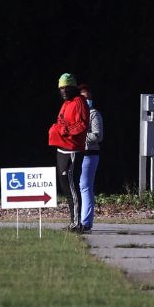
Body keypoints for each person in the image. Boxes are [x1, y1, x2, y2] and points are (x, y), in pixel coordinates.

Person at [47, 73, 89, 232]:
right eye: (61, 88)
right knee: (65, 186)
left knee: (72, 186)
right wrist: (58, 128)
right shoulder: (66, 103)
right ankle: (73, 221)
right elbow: (61, 120)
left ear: (73, 87)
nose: (63, 90)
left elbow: (81, 125)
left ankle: (77, 223)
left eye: (66, 87)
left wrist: (63, 130)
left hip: (73, 149)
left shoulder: (79, 102)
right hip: (62, 149)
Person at [77, 83, 102, 231]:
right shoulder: (80, 114)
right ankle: (82, 220)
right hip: (80, 154)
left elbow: (98, 136)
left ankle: (86, 222)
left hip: (90, 155)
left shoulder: (94, 114)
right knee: (82, 187)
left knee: (85, 187)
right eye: (83, 98)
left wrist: (81, 135)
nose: (86, 100)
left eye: (88, 97)